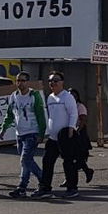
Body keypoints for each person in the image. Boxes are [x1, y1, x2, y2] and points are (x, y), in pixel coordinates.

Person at [0, 70, 46, 198]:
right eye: (18, 80)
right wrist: (3, 128)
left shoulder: (34, 95)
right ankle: (22, 188)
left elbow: (40, 115)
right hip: (19, 133)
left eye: (23, 80)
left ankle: (43, 180)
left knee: (25, 159)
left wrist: (41, 133)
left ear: (28, 82)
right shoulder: (14, 96)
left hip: (32, 132)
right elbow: (9, 114)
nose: (20, 83)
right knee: (25, 162)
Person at [34, 71, 80, 199]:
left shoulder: (67, 97)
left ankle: (72, 188)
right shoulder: (50, 98)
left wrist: (71, 128)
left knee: (68, 162)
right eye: (50, 81)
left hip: (65, 135)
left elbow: (73, 113)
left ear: (62, 82)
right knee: (47, 161)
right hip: (53, 137)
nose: (53, 83)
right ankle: (45, 187)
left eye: (55, 80)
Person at [69, 87, 95, 183]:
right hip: (70, 132)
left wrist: (78, 131)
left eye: (74, 96)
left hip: (79, 133)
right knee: (71, 157)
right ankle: (86, 171)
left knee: (77, 157)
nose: (72, 97)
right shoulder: (67, 106)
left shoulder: (80, 106)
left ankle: (71, 178)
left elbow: (83, 120)